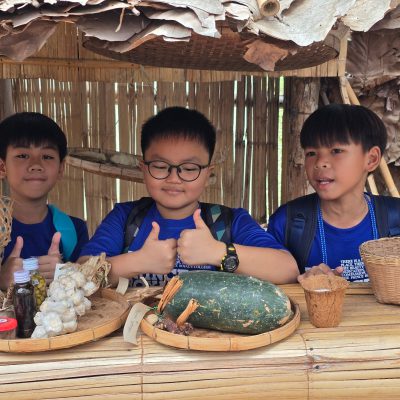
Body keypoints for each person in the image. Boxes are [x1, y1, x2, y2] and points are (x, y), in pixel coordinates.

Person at [78, 106, 298, 286]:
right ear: (143, 168)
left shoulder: (230, 222)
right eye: (160, 166)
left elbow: (287, 269)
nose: (174, 178)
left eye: (190, 168)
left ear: (208, 173)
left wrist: (218, 253)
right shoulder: (125, 218)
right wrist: (138, 261)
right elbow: (80, 275)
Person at [267, 103, 397, 283]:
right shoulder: (287, 223)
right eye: (311, 153)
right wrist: (301, 282)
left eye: (336, 151)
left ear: (371, 159)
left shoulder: (396, 219)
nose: (320, 163)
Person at [0, 112, 89, 290]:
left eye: (47, 156)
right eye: (22, 155)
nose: (36, 165)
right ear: (2, 167)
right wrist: (2, 279)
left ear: (61, 169)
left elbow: (87, 287)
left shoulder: (73, 230)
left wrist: (66, 273)